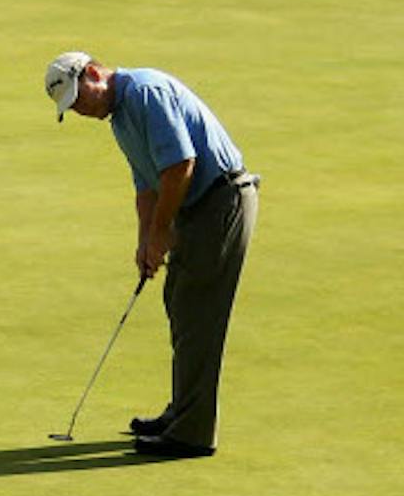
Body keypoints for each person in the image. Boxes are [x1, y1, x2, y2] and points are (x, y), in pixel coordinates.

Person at [43, 51, 259, 459]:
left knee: (197, 313)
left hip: (220, 201)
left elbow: (180, 165)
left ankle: (193, 434)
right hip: (197, 209)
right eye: (72, 107)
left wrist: (162, 231)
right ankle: (183, 413)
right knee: (179, 303)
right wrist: (146, 239)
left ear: (93, 73)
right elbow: (146, 185)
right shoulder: (120, 119)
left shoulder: (145, 92)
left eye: (80, 97)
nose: (81, 110)